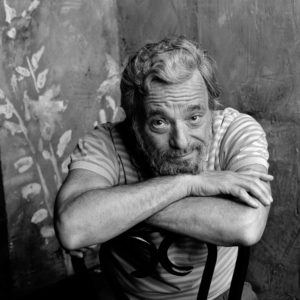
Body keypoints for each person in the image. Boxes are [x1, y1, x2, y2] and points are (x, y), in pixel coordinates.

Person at [54, 36, 273, 300]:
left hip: (222, 294)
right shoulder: (106, 142)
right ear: (134, 123)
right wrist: (188, 184)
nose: (180, 142)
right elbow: (73, 227)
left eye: (194, 117)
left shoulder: (236, 131)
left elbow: (247, 225)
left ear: (211, 108)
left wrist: (114, 214)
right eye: (159, 122)